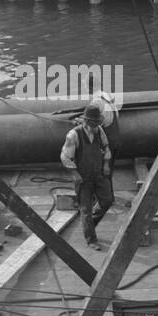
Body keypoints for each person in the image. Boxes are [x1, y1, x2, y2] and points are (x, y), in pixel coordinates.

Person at [61, 102, 114, 250]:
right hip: (83, 178)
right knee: (85, 209)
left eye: (98, 121)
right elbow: (65, 156)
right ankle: (91, 239)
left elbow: (106, 148)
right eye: (94, 121)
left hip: (98, 174)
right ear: (86, 120)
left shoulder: (99, 131)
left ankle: (91, 223)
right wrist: (74, 173)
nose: (96, 124)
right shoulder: (74, 135)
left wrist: (106, 165)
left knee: (107, 201)